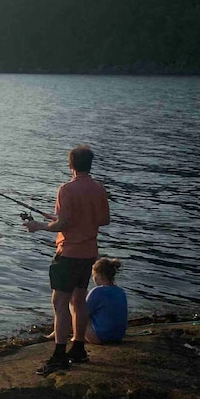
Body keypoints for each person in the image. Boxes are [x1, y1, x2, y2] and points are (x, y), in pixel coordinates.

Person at [23, 144, 111, 374]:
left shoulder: (66, 189)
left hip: (69, 254)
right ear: (89, 164)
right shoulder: (99, 188)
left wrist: (39, 226)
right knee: (79, 301)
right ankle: (78, 349)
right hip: (89, 253)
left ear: (70, 164)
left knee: (60, 303)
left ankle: (59, 355)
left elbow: (62, 224)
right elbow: (103, 220)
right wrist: (65, 219)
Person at [82, 258, 128, 344]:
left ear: (99, 275)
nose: (93, 278)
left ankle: (73, 336)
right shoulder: (121, 291)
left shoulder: (97, 291)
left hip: (100, 338)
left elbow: (83, 313)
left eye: (93, 275)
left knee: (75, 306)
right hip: (118, 336)